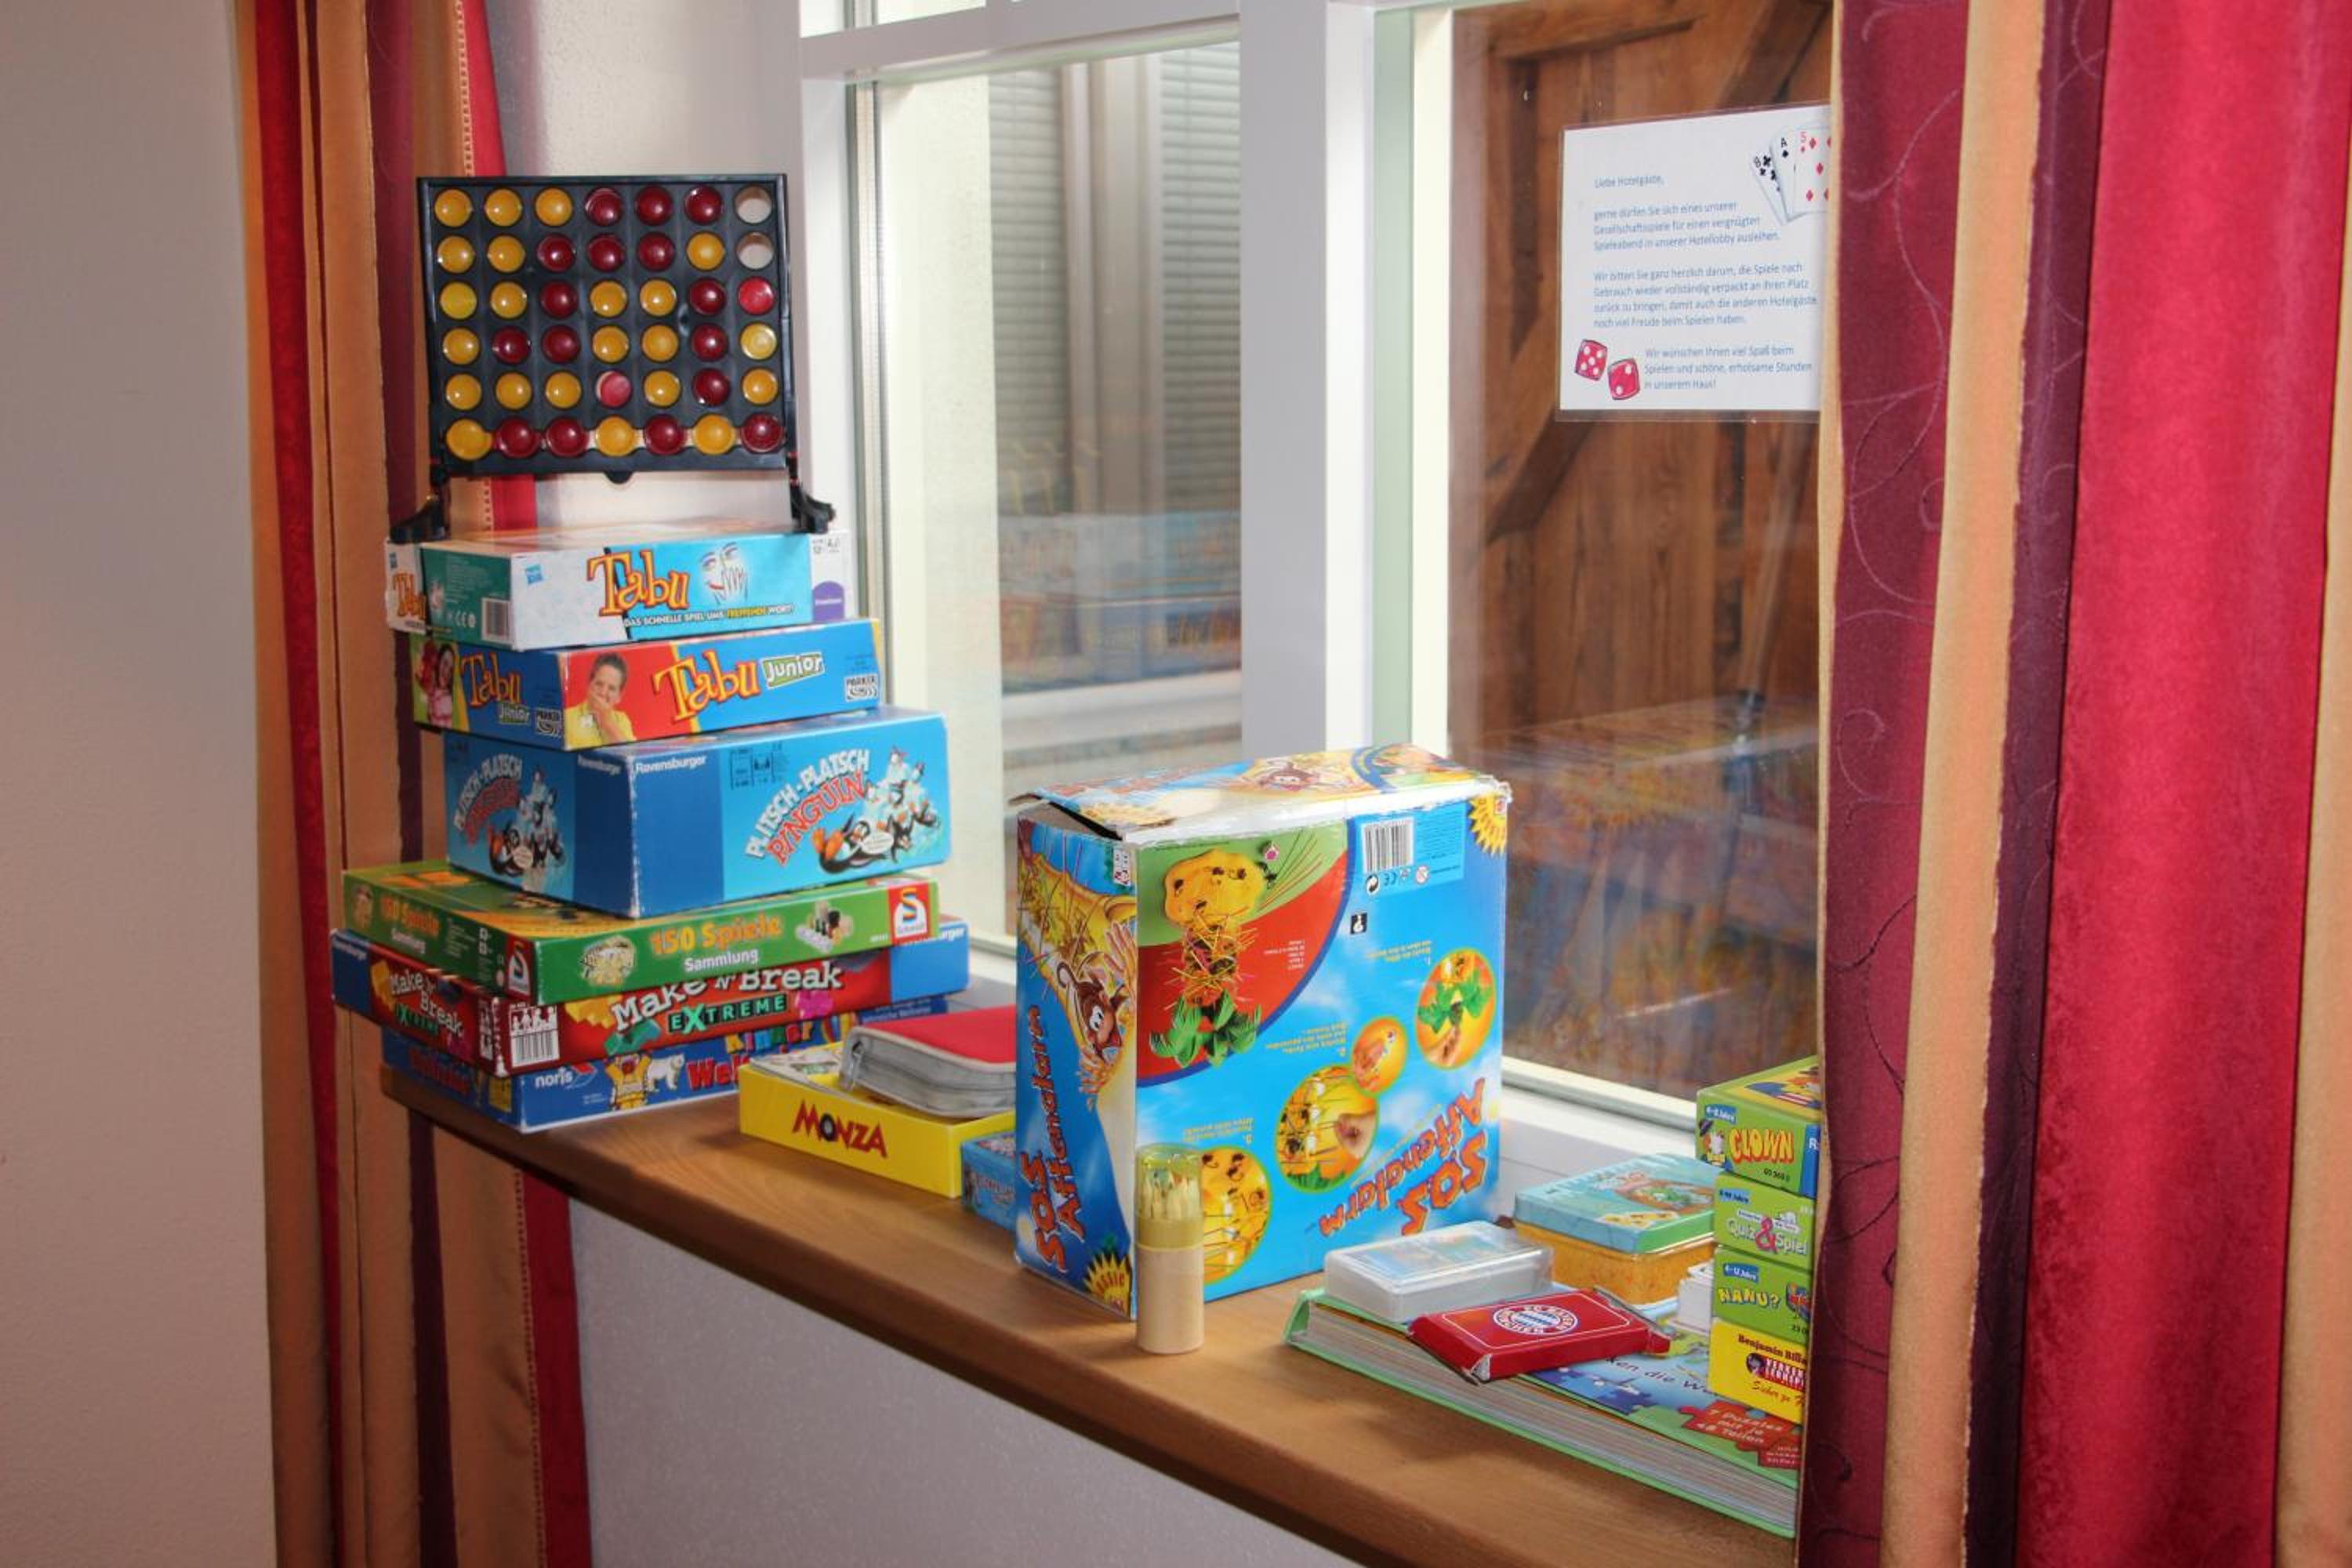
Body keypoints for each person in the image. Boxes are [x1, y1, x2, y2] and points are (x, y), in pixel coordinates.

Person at [564, 652, 635, 746]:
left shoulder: (622, 720)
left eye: (611, 688)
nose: (603, 693)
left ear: (619, 697)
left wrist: (606, 720)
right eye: (599, 684)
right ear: (589, 684)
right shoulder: (566, 718)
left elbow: (629, 753)